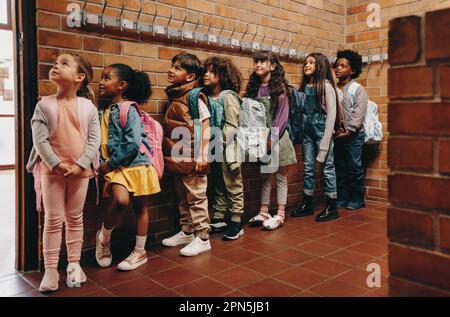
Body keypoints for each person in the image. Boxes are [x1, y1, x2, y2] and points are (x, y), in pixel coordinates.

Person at [27, 53, 100, 292]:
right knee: (53, 219)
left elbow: (94, 140)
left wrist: (80, 164)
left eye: (64, 63)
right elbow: (40, 141)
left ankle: (73, 264)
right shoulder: (44, 105)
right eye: (56, 62)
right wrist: (56, 164)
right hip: (51, 171)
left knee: (75, 218)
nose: (56, 65)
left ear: (80, 77)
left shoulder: (88, 106)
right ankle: (50, 269)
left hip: (80, 171)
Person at [95, 63, 161, 271]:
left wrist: (109, 164)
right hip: (117, 167)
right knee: (120, 201)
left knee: (140, 208)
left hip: (136, 164)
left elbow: (133, 142)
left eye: (107, 78)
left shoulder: (128, 109)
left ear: (122, 85)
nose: (101, 82)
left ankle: (140, 253)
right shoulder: (103, 110)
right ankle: (104, 237)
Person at [246, 51, 297, 231]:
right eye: (256, 61)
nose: (258, 64)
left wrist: (270, 139)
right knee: (265, 177)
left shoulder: (280, 89)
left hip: (278, 140)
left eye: (262, 61)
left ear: (273, 67)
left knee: (281, 177)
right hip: (262, 140)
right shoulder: (254, 89)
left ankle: (281, 214)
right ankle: (264, 211)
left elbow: (281, 118)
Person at [291, 53, 339, 222]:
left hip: (322, 129)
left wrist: (325, 144)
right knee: (308, 168)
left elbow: (332, 115)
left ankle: (331, 206)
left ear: (321, 65)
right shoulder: (304, 87)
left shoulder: (326, 86)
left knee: (327, 167)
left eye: (311, 62)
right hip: (306, 131)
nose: (307, 65)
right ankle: (307, 204)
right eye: (305, 62)